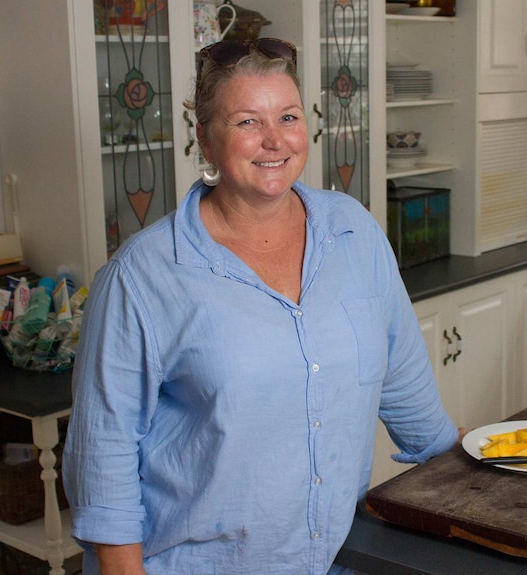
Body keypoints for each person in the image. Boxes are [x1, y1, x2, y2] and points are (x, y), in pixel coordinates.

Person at [62, 37, 460, 575]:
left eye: (289, 117)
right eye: (247, 122)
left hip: (337, 560)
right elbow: (102, 458)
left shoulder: (353, 232)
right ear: (205, 139)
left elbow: (404, 381)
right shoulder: (143, 276)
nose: (274, 140)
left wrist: (476, 477)